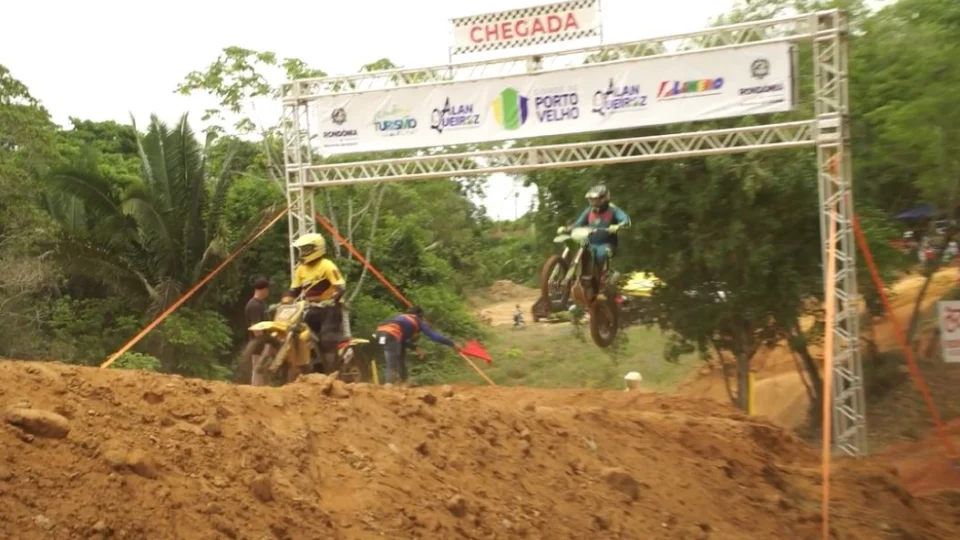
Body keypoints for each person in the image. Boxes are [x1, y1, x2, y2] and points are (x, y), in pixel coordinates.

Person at [282, 233, 346, 376]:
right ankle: (308, 367)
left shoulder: (327, 265)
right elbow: (295, 289)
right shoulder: (300, 269)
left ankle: (332, 373)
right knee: (299, 333)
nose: (304, 253)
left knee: (326, 339)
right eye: (302, 249)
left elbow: (341, 286)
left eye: (307, 249)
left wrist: (333, 299)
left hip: (330, 308)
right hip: (312, 308)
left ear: (317, 248)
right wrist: (286, 299)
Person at [558, 184, 631, 294]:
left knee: (600, 254)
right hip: (589, 242)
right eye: (591, 200)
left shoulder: (613, 210)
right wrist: (568, 229)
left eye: (596, 200)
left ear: (604, 198)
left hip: (607, 243)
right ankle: (574, 277)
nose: (593, 203)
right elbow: (578, 223)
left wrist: (618, 226)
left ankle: (597, 284)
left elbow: (626, 221)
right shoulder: (589, 211)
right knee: (576, 248)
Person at [375, 306, 459, 385]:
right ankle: (389, 386)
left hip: (379, 333)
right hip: (391, 334)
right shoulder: (418, 321)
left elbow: (402, 342)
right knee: (392, 366)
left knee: (399, 355)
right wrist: (452, 344)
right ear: (420, 316)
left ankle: (404, 380)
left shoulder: (401, 318)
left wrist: (415, 348)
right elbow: (435, 336)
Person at [244, 277, 271, 385]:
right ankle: (256, 393)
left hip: (264, 343)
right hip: (258, 344)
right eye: (268, 289)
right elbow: (256, 328)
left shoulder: (262, 304)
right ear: (263, 289)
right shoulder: (254, 305)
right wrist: (264, 343)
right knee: (258, 370)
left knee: (263, 371)